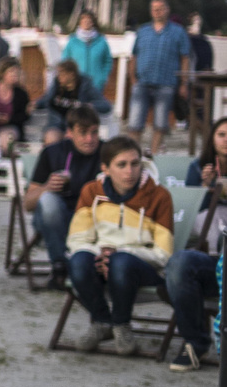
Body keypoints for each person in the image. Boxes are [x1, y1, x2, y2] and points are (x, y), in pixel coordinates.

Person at [65, 135, 174, 354]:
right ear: (106, 168)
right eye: (121, 165)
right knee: (78, 261)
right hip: (100, 260)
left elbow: (164, 254)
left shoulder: (159, 196)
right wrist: (101, 254)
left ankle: (121, 323)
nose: (129, 171)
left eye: (135, 164)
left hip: (142, 267)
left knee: (121, 262)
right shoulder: (92, 192)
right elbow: (77, 239)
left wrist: (119, 253)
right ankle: (102, 321)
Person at [165, 116, 227, 371]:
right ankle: (195, 342)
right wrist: (203, 188)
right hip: (212, 257)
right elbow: (190, 217)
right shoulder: (198, 167)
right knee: (179, 262)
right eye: (222, 134)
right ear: (212, 139)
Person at [24, 105, 104, 290]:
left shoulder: (107, 153)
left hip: (94, 219)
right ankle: (60, 267)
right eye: (83, 133)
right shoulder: (53, 153)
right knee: (48, 201)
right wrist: (46, 187)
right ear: (69, 133)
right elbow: (27, 203)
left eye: (94, 132)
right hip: (57, 220)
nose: (90, 139)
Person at [128, 0, 193, 155]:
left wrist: (184, 83)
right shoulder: (143, 31)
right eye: (154, 9)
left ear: (167, 10)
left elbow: (185, 58)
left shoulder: (178, 32)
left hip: (166, 83)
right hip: (142, 82)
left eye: (160, 9)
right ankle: (134, 155)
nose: (157, 12)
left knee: (160, 123)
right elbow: (134, 56)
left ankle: (155, 155)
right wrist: (132, 78)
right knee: (135, 122)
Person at [35, 58, 112, 145]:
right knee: (51, 138)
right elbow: (47, 99)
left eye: (62, 74)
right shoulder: (56, 85)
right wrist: (35, 104)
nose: (59, 77)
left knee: (71, 140)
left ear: (71, 74)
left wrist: (90, 106)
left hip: (77, 126)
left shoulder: (85, 86)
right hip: (56, 123)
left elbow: (106, 106)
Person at [61, 10, 112, 96]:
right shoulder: (72, 41)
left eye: (89, 20)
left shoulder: (102, 41)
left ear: (93, 23)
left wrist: (103, 78)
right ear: (80, 22)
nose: (86, 23)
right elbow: (65, 60)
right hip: (76, 84)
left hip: (96, 84)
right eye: (84, 20)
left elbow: (107, 61)